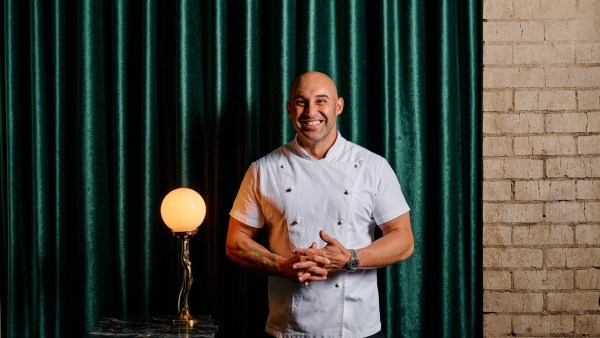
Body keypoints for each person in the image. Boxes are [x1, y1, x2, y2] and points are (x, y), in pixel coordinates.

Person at [226, 71, 414, 338]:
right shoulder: (263, 169)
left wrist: (350, 258)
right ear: (289, 109)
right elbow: (235, 241)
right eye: (301, 102)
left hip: (357, 330)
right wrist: (281, 266)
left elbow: (404, 239)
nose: (310, 111)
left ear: (338, 106)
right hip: (287, 330)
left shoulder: (373, 166)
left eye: (321, 101)